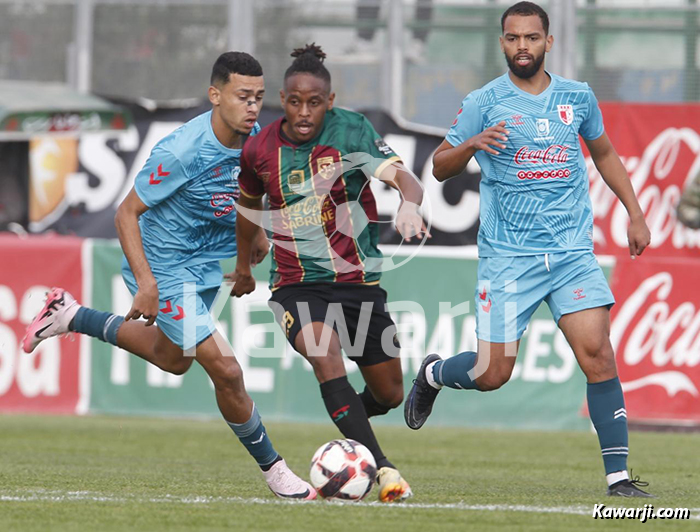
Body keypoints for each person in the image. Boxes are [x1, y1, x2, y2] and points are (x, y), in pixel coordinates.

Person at [21, 51, 316, 501]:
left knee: (173, 359)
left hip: (203, 263)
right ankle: (275, 470)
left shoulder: (255, 139)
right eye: (242, 96)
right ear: (215, 95)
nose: (252, 107)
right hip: (162, 262)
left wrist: (253, 242)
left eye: (258, 97)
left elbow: (251, 194)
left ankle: (71, 315)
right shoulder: (182, 151)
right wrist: (146, 283)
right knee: (227, 370)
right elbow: (125, 214)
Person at [404, 2, 654, 498]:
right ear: (502, 43)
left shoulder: (577, 98)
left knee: (598, 356)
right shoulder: (483, 100)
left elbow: (603, 152)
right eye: (513, 38)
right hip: (508, 258)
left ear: (548, 42)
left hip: (569, 253)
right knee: (491, 372)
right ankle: (433, 374)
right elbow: (439, 167)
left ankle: (619, 478)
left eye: (532, 38)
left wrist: (635, 212)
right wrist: (472, 143)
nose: (523, 46)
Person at [231, 44, 428, 503]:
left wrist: (410, 204)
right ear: (283, 98)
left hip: (359, 286)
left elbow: (405, 178)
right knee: (326, 356)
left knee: (390, 393)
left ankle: (345, 438)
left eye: (314, 102)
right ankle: (384, 470)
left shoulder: (352, 131)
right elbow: (247, 208)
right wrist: (244, 267)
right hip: (296, 285)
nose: (303, 112)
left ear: (330, 101)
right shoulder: (260, 148)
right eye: (294, 102)